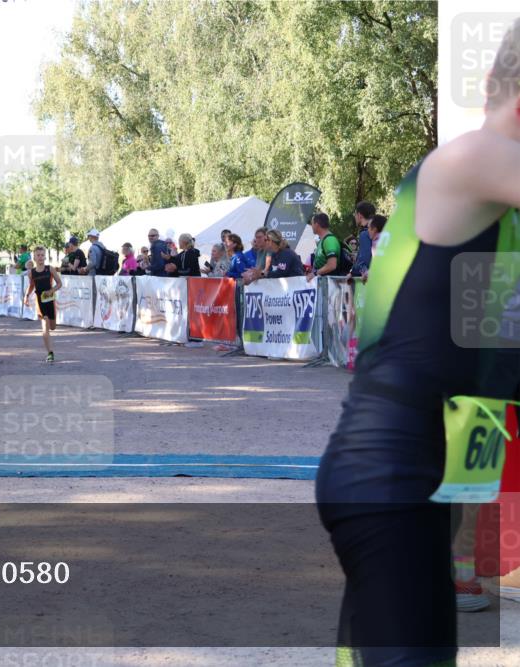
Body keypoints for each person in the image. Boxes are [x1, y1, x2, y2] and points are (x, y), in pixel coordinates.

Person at [316, 18, 520, 666]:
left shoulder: (497, 230)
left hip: (420, 484)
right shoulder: (472, 157)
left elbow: (489, 361)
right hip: (389, 473)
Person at [23, 246, 63, 363]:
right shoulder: (31, 272)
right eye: (38, 255)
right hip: (40, 301)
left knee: (52, 327)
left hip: (50, 300)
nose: (40, 257)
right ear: (34, 258)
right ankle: (50, 352)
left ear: (45, 256)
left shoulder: (50, 269)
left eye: (42, 255)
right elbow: (31, 286)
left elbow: (59, 283)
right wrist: (26, 296)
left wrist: (51, 290)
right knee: (45, 326)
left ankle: (50, 343)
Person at [307, 212, 345, 280]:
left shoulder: (329, 240)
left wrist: (315, 273)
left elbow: (332, 265)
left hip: (331, 284)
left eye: (312, 223)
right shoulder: (322, 240)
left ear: (317, 225)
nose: (311, 226)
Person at [350, 201, 377, 277]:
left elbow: (364, 262)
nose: (354, 216)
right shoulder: (379, 230)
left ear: (359, 215)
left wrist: (352, 272)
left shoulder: (365, 234)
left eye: (355, 214)